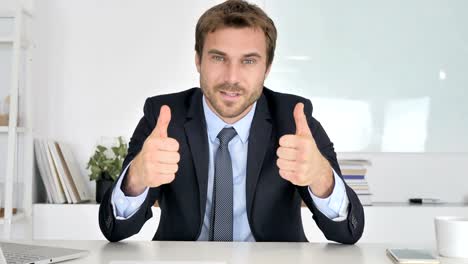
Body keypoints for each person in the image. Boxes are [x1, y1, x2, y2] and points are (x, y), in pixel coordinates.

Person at [99, 0, 364, 243]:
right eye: (218, 58)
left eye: (249, 61)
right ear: (198, 60)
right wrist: (135, 179)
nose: (232, 77)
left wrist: (322, 177)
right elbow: (115, 229)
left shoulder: (295, 121)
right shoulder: (164, 118)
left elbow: (348, 232)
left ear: (267, 68)